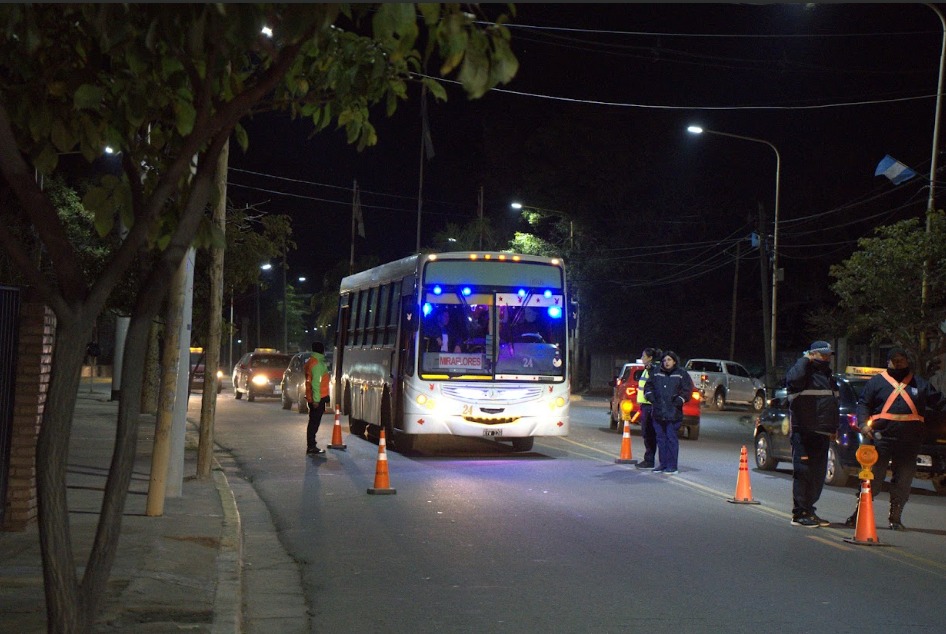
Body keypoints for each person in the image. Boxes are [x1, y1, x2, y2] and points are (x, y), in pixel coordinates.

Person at [844, 347, 946, 530]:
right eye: (894, 360)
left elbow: (939, 403)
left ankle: (895, 518)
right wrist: (863, 424)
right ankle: (859, 513)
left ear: (907, 361)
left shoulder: (920, 384)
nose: (898, 363)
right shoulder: (876, 383)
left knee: (904, 480)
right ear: (888, 362)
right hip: (880, 438)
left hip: (909, 441)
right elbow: (863, 404)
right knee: (872, 478)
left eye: (901, 359)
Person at [784, 340, 839, 527]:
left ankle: (809, 510)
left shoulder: (828, 376)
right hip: (804, 432)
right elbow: (793, 380)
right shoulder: (802, 373)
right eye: (822, 354)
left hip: (822, 433)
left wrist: (834, 429)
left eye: (828, 354)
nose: (826, 358)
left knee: (817, 474)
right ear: (812, 354)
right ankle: (799, 513)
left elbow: (833, 405)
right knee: (804, 472)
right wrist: (804, 360)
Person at [643, 350, 693, 474]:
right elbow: (648, 387)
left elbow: (687, 390)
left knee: (671, 439)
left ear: (674, 361)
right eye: (665, 360)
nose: (666, 362)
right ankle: (662, 464)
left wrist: (679, 400)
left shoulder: (681, 374)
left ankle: (672, 466)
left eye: (669, 360)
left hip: (673, 413)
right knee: (661, 439)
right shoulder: (656, 372)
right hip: (658, 412)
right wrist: (652, 398)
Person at [635, 348, 661, 470]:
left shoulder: (652, 370)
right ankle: (649, 459)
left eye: (643, 356)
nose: (642, 358)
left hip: (650, 406)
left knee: (649, 434)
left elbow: (653, 386)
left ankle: (649, 460)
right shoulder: (648, 369)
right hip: (646, 405)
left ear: (650, 358)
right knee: (648, 434)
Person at [304, 341, 330, 455]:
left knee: (313, 422)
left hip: (314, 397)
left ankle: (311, 445)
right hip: (317, 398)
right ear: (322, 351)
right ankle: (311, 446)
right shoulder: (318, 364)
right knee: (314, 423)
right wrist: (316, 400)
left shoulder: (311, 361)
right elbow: (315, 383)